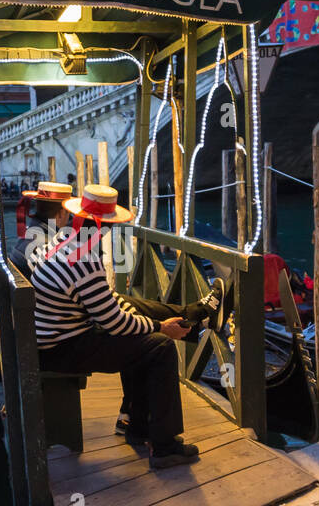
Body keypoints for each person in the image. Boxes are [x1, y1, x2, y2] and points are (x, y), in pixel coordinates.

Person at [27, 184, 220, 468]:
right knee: (160, 346)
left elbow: (107, 304)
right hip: (62, 347)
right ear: (104, 226)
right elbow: (113, 322)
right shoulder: (84, 260)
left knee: (135, 316)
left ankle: (139, 427)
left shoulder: (56, 243)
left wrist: (148, 322)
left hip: (52, 336)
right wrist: (159, 327)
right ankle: (164, 447)